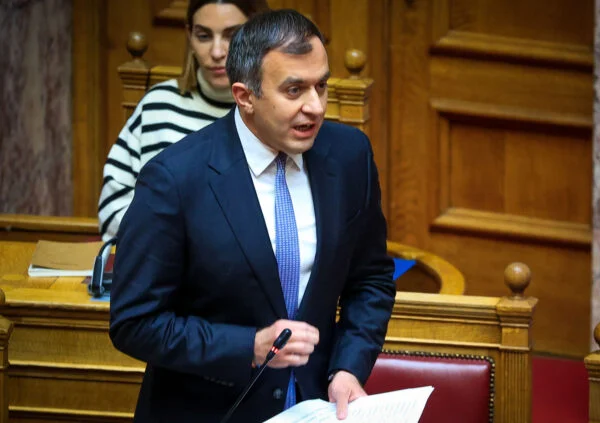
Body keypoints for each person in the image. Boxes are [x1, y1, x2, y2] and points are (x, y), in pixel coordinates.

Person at [109, 8, 396, 423]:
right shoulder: (174, 179)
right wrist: (250, 347)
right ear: (245, 96)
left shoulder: (350, 155)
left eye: (321, 85)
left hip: (317, 407)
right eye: (294, 90)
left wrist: (348, 368)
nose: (316, 106)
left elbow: (370, 279)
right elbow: (135, 322)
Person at [98, 0, 270, 240]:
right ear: (189, 36)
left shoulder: (274, 113)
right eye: (203, 36)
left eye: (232, 36)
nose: (217, 52)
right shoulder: (158, 105)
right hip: (161, 255)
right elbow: (112, 209)